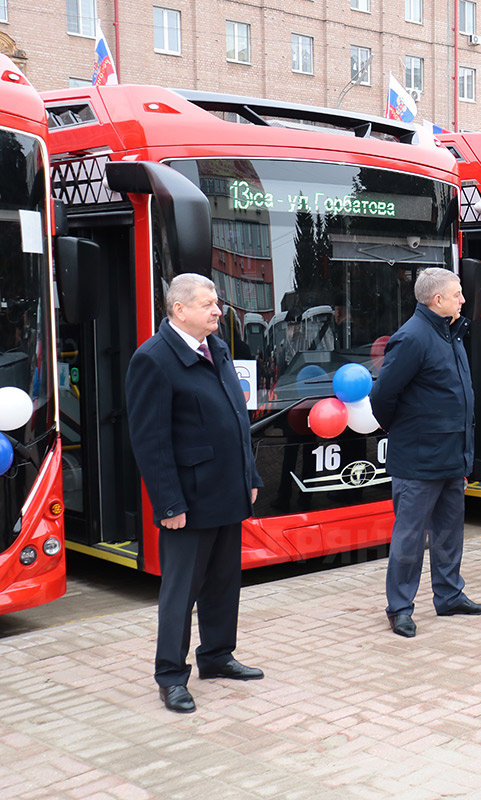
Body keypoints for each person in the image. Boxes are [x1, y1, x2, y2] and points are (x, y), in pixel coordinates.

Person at [125, 274, 265, 714]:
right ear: (179, 310)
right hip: (188, 498)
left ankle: (217, 656)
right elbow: (150, 441)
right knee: (181, 591)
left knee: (224, 582)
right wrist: (168, 503)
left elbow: (235, 421)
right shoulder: (153, 359)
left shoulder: (216, 348)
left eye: (217, 304)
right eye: (208, 305)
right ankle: (170, 675)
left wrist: (252, 475)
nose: (217, 311)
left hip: (227, 489)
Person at [371, 267, 481, 638]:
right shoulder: (412, 337)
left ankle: (450, 594)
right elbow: (382, 396)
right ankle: (401, 608)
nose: (464, 299)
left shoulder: (450, 331)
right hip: (419, 459)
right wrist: (407, 432)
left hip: (452, 455)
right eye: (457, 294)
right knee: (410, 536)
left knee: (449, 531)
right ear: (437, 300)